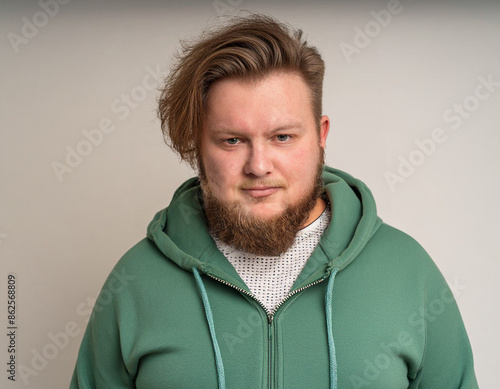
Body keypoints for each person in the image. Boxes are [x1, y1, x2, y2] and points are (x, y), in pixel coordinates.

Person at [70, 13, 478, 389]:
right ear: (199, 145)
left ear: (321, 136)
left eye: (282, 137)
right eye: (232, 140)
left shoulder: (408, 271)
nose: (258, 165)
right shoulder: (134, 281)